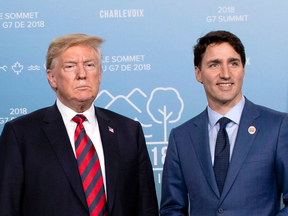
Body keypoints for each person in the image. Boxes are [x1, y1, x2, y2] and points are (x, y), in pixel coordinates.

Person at [0, 33, 158, 216]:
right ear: (52, 78)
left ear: (99, 75)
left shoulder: (130, 132)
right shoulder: (20, 134)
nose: (82, 74)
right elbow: (6, 208)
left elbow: (147, 209)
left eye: (90, 65)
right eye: (70, 66)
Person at [160, 30, 288, 215]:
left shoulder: (278, 126)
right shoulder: (181, 137)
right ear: (198, 73)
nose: (225, 74)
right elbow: (172, 209)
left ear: (243, 69)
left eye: (233, 63)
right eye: (214, 65)